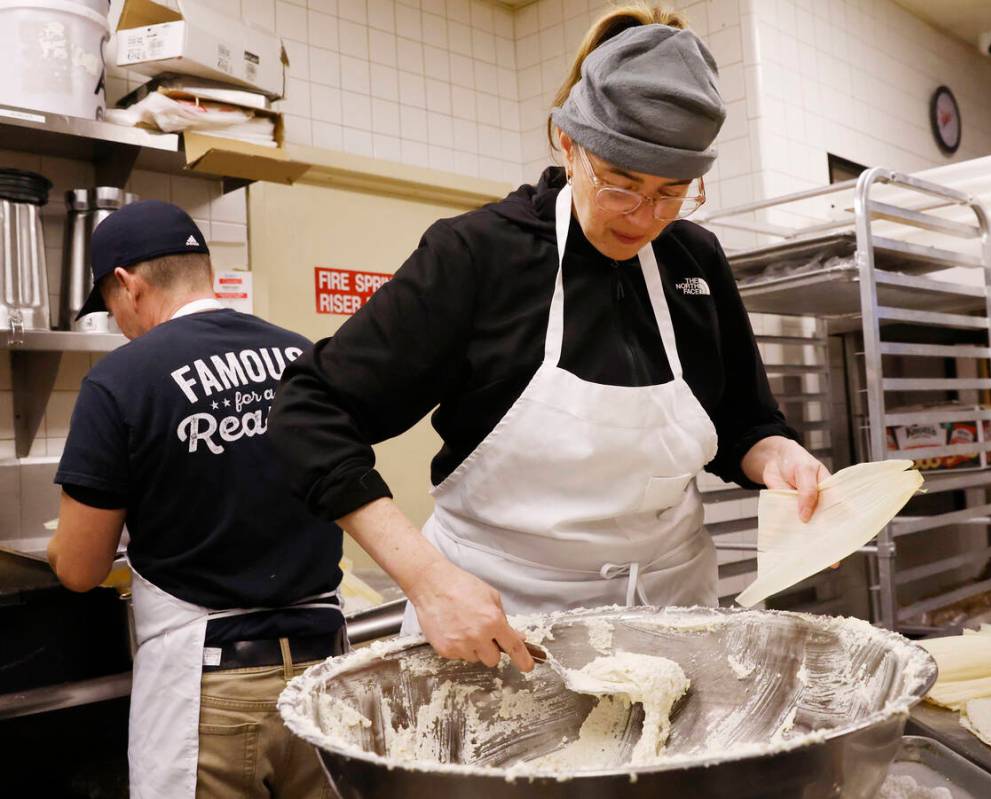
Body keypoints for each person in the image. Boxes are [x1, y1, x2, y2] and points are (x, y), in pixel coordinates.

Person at [269, 5, 828, 676]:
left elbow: (741, 421)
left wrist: (776, 456)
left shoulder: (694, 259)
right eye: (621, 184)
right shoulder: (477, 256)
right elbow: (310, 407)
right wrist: (425, 577)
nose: (645, 217)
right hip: (499, 626)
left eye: (671, 193)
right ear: (566, 143)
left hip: (670, 620)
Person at [47, 201, 344, 799]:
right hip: (326, 672)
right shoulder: (303, 355)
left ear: (128, 286)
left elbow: (80, 569)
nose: (119, 323)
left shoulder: (121, 380)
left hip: (212, 687)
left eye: (110, 305)